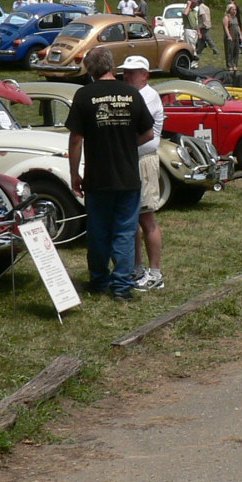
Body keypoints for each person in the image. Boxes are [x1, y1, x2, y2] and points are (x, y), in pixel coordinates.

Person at [66, 48, 154, 299]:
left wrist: (74, 173)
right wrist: (127, 144)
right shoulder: (132, 94)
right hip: (127, 175)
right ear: (112, 66)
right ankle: (122, 287)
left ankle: (99, 281)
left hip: (98, 176)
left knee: (98, 231)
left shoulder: (84, 95)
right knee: (125, 231)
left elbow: (76, 139)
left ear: (90, 70)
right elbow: (149, 133)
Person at [117, 55, 166, 292]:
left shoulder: (148, 96)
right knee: (132, 217)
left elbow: (137, 129)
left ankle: (155, 272)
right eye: (125, 72)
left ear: (145, 75)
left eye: (133, 72)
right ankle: (137, 267)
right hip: (132, 159)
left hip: (143, 160)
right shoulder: (133, 95)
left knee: (147, 217)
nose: (127, 76)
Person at [223, 0, 242, 69]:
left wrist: (240, 35)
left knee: (236, 51)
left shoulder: (235, 18)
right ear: (229, 10)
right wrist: (229, 36)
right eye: (233, 9)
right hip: (230, 36)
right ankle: (229, 65)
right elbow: (226, 27)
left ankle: (235, 65)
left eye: (235, 9)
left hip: (236, 36)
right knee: (229, 51)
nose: (234, 11)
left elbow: (238, 27)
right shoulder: (226, 17)